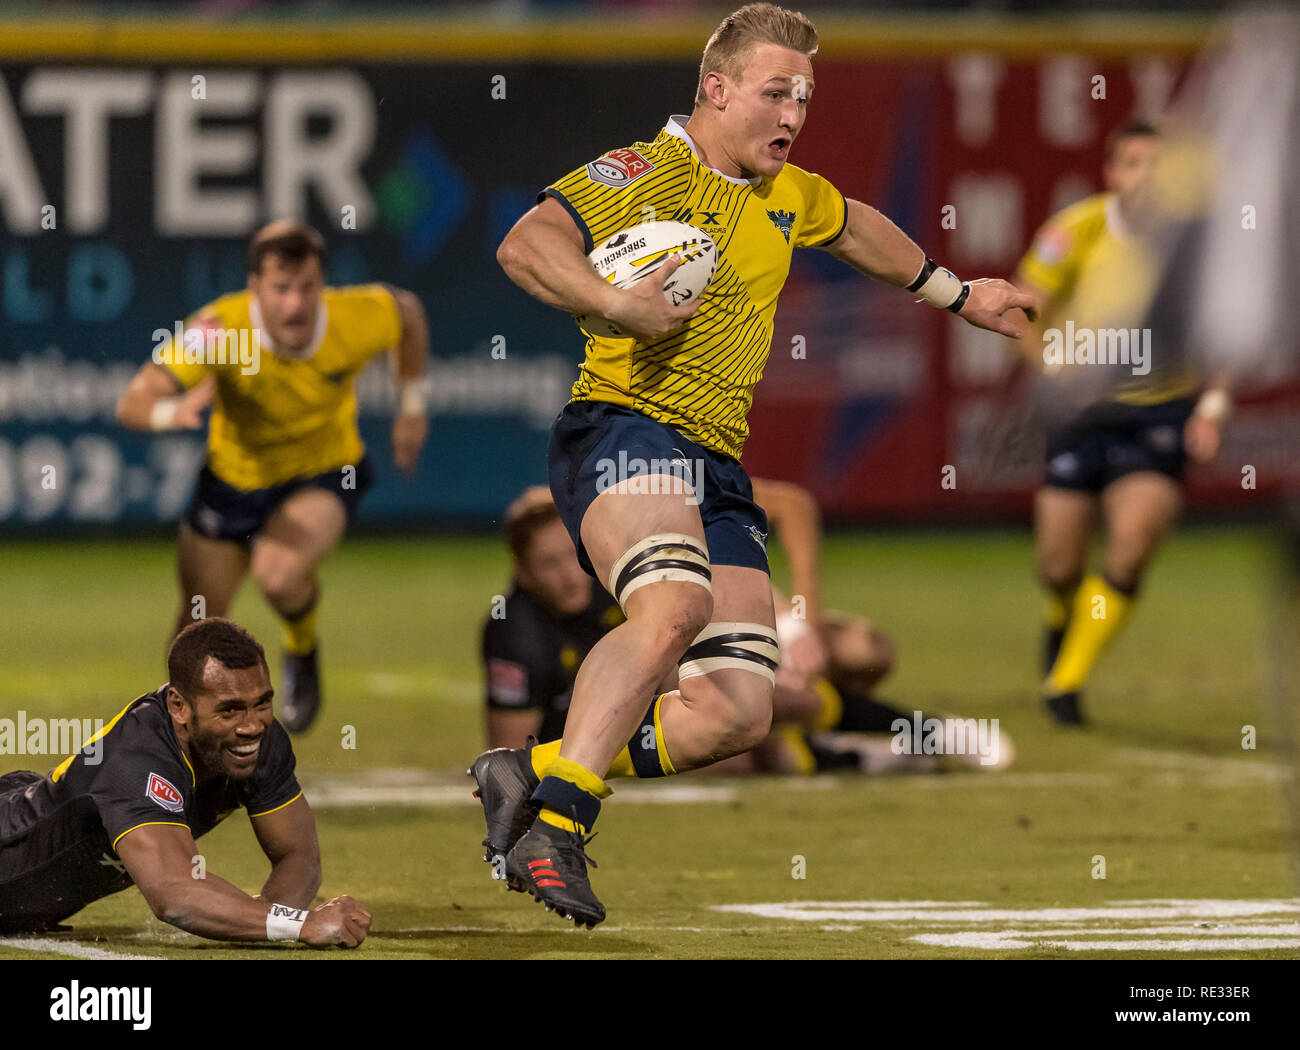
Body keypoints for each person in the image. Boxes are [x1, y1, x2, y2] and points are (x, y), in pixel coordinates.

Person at [474, 1, 1035, 927]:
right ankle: (556, 824)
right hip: (622, 429)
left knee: (739, 711)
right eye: (776, 93)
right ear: (717, 87)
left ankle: (527, 768)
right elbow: (526, 242)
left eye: (805, 99)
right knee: (673, 605)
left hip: (716, 462)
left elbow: (856, 227)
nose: (792, 115)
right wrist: (613, 302)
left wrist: (961, 293)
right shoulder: (644, 173)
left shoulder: (786, 192)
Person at [115, 220, 430, 733]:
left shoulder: (358, 315)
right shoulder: (220, 329)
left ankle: (301, 647)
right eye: (280, 288)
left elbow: (409, 315)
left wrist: (412, 406)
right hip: (234, 482)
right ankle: (175, 750)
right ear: (254, 287)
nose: (294, 304)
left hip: (326, 473)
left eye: (307, 287)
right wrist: (167, 415)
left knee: (278, 574)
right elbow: (133, 402)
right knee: (194, 631)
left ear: (322, 284)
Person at [1015, 121, 1230, 726]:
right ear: (1113, 173)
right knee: (1057, 567)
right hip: (1084, 414)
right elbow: (1025, 307)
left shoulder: (1193, 247)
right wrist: (1055, 374)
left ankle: (1066, 682)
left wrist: (1213, 407)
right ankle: (1064, 617)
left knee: (1130, 552)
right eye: (1136, 163)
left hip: (1161, 414)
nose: (1149, 178)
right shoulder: (1075, 229)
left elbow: (1230, 330)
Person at [0, 618, 371, 946]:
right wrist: (301, 925)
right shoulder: (136, 760)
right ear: (179, 706)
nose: (251, 726)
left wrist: (265, 921)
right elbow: (174, 893)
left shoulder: (260, 741)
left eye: (262, 702)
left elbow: (298, 855)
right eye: (229, 709)